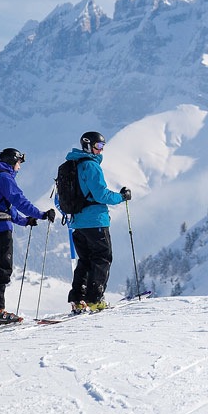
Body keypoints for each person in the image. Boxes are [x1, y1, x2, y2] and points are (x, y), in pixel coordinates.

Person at [0, 147, 56, 328]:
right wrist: (41, 214)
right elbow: (19, 200)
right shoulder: (4, 178)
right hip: (0, 231)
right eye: (18, 163)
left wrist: (25, 221)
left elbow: (7, 208)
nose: (19, 167)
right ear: (11, 161)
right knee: (2, 271)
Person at [65, 131, 131, 312]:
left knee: (85, 260)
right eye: (99, 146)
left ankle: (78, 299)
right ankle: (95, 299)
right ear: (88, 145)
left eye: (103, 146)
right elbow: (101, 194)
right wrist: (121, 197)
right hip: (95, 221)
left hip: (77, 223)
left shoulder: (72, 166)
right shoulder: (91, 166)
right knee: (102, 258)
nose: (101, 150)